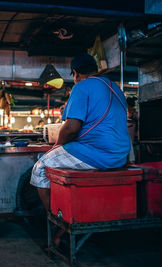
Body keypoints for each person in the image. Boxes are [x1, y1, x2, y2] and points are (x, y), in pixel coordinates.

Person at [31, 53, 130, 213]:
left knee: (40, 167)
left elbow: (71, 128)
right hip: (121, 156)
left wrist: (57, 145)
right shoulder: (116, 88)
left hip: (98, 155)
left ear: (76, 73)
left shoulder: (82, 86)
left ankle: (56, 219)